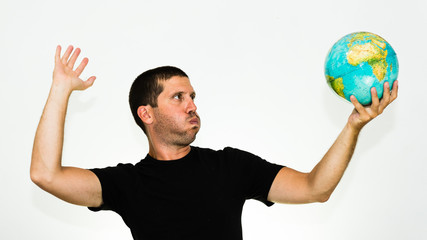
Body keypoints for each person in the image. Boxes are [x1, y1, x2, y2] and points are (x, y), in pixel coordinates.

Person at [30, 45, 398, 240]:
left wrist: (353, 127)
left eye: (192, 96)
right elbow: (45, 174)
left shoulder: (231, 166)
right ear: (147, 114)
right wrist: (61, 89)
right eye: (178, 98)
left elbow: (315, 188)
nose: (192, 105)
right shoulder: (126, 185)